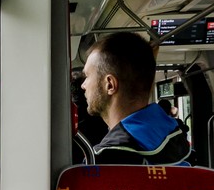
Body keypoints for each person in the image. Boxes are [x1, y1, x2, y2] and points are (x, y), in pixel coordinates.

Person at [80, 32, 191, 165]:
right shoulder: (174, 135)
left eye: (87, 76)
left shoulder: (103, 160)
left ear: (110, 84)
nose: (83, 85)